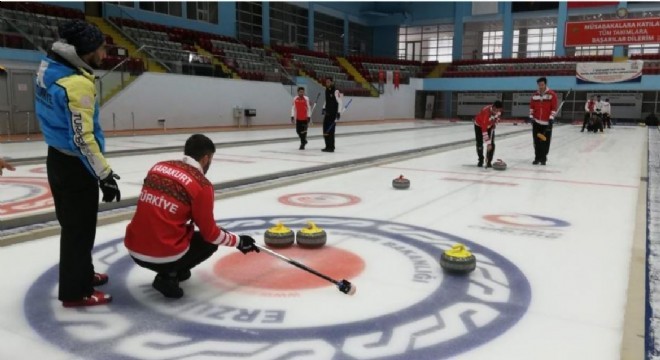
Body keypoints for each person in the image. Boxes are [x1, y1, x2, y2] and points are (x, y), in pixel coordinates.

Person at [35, 20, 120, 307]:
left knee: (75, 227)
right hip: (75, 167)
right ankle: (76, 291)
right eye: (100, 47)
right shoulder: (76, 85)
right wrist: (104, 175)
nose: (104, 52)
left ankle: (82, 274)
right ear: (85, 51)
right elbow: (82, 138)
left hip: (56, 157)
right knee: (79, 231)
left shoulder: (49, 66)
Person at [124, 134, 260, 299]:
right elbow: (211, 234)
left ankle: (176, 270)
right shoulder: (202, 185)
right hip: (163, 256)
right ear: (205, 158)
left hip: (133, 248)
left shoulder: (158, 167)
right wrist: (239, 241)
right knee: (208, 242)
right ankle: (168, 276)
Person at [529, 77, 558, 165]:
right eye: (539, 85)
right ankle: (537, 158)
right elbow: (531, 107)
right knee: (536, 141)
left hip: (547, 122)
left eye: (542, 85)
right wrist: (531, 116)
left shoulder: (552, 94)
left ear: (545, 84)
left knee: (545, 141)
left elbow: (554, 108)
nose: (540, 86)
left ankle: (543, 158)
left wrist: (551, 117)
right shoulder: (535, 95)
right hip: (536, 122)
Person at [474, 100, 503, 168]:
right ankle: (481, 160)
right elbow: (484, 130)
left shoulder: (499, 110)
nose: (498, 111)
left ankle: (489, 161)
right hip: (479, 125)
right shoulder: (486, 112)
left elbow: (498, 118)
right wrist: (488, 143)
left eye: (499, 110)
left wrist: (495, 122)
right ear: (494, 107)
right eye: (497, 110)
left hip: (490, 126)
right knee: (480, 143)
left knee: (492, 143)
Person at [321, 78, 343, 152]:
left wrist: (338, 112)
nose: (327, 83)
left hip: (333, 114)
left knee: (331, 131)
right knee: (325, 130)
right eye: (326, 82)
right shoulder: (326, 90)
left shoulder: (336, 91)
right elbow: (326, 100)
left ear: (332, 82)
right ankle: (327, 146)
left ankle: (331, 147)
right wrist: (323, 108)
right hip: (327, 114)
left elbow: (340, 102)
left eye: (328, 82)